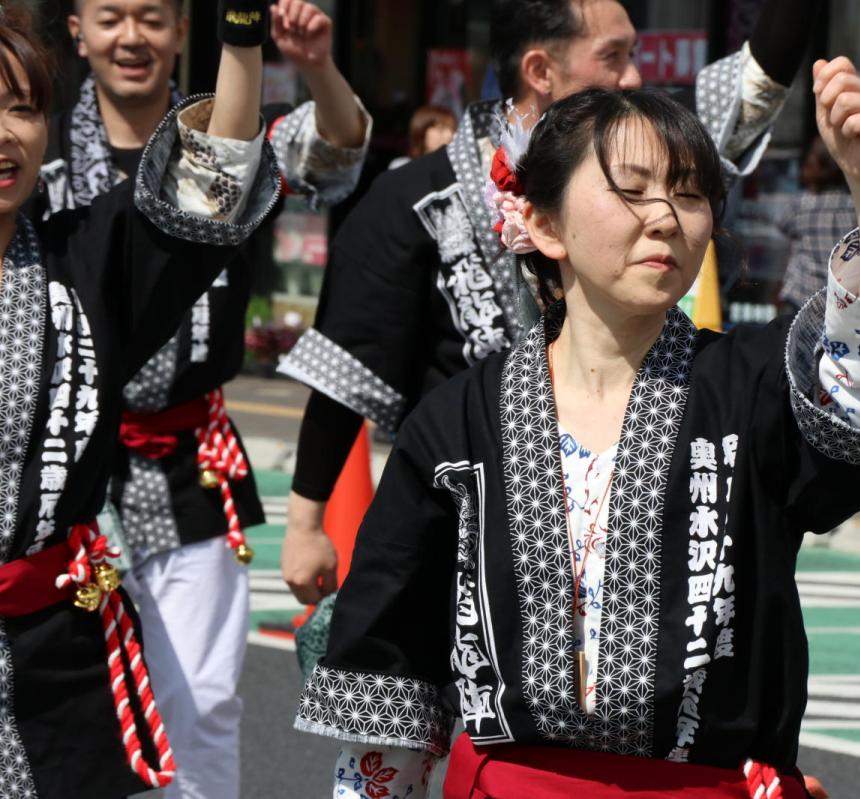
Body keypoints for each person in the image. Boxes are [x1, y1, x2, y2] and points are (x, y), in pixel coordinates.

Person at [293, 57, 860, 798]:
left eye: (689, 193)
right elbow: (393, 665)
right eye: (632, 188)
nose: (666, 215)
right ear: (544, 224)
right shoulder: (455, 423)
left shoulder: (752, 388)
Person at [278, 0, 818, 606]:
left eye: (683, 193)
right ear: (540, 70)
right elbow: (349, 367)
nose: (634, 77)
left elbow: (755, 84)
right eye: (612, 57)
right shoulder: (417, 198)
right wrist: (305, 522)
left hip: (642, 509)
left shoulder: (656, 155)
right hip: (472, 519)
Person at [35, 2, 369, 796]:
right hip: (58, 477)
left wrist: (316, 64)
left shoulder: (237, 136)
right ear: (77, 29)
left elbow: (337, 153)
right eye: (110, 17)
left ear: (183, 30)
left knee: (205, 704)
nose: (131, 39)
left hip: (190, 470)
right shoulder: (34, 150)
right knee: (63, 711)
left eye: (150, 17)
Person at [0, 1, 280, 796]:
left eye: (23, 108)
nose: (5, 131)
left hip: (55, 643)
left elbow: (212, 179)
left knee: (201, 714)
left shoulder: (83, 263)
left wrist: (241, 29)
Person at [776, 137, 859, 313]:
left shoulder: (800, 205)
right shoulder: (855, 205)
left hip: (801, 294)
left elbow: (782, 225)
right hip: (843, 297)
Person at [388, 104, 457, 170]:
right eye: (440, 129)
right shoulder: (401, 166)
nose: (450, 135)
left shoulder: (456, 167)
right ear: (421, 131)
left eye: (453, 130)